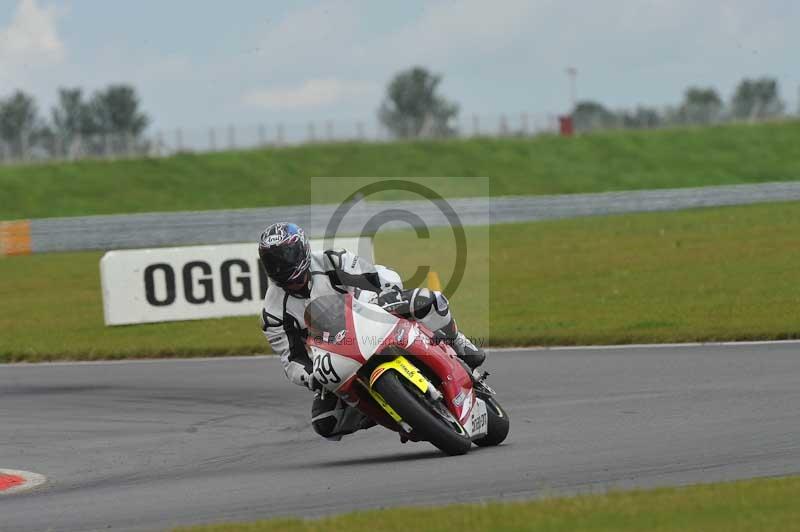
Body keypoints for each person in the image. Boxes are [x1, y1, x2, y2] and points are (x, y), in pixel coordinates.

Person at [259, 221, 485, 440]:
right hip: (337, 354)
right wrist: (310, 376)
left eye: (286, 257)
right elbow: (292, 358)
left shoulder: (331, 261)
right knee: (325, 422)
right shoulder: (273, 312)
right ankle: (380, 408)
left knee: (427, 300)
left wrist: (386, 292)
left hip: (371, 317)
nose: (280, 267)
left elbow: (375, 275)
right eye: (272, 262)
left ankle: (457, 342)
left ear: (302, 250)